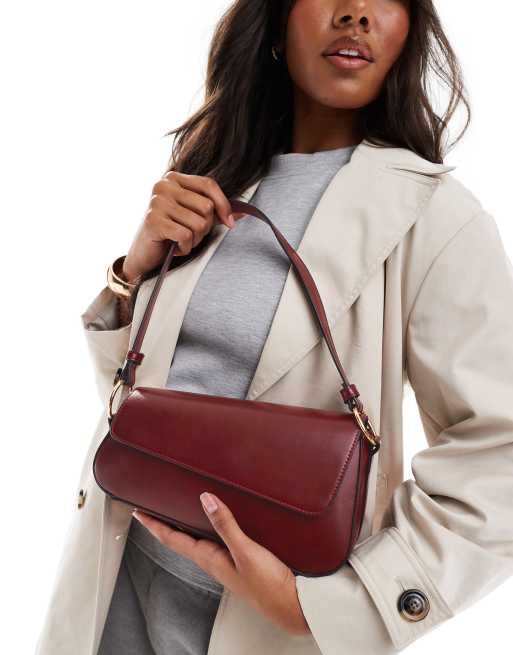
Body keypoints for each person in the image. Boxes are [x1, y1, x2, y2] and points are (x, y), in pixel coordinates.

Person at [36, 1, 513, 654]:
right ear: (277, 26)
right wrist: (132, 275)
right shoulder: (215, 181)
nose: (356, 14)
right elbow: (142, 404)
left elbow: (498, 454)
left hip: (259, 629)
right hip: (114, 592)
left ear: (407, 34)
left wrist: (337, 606)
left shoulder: (433, 217)